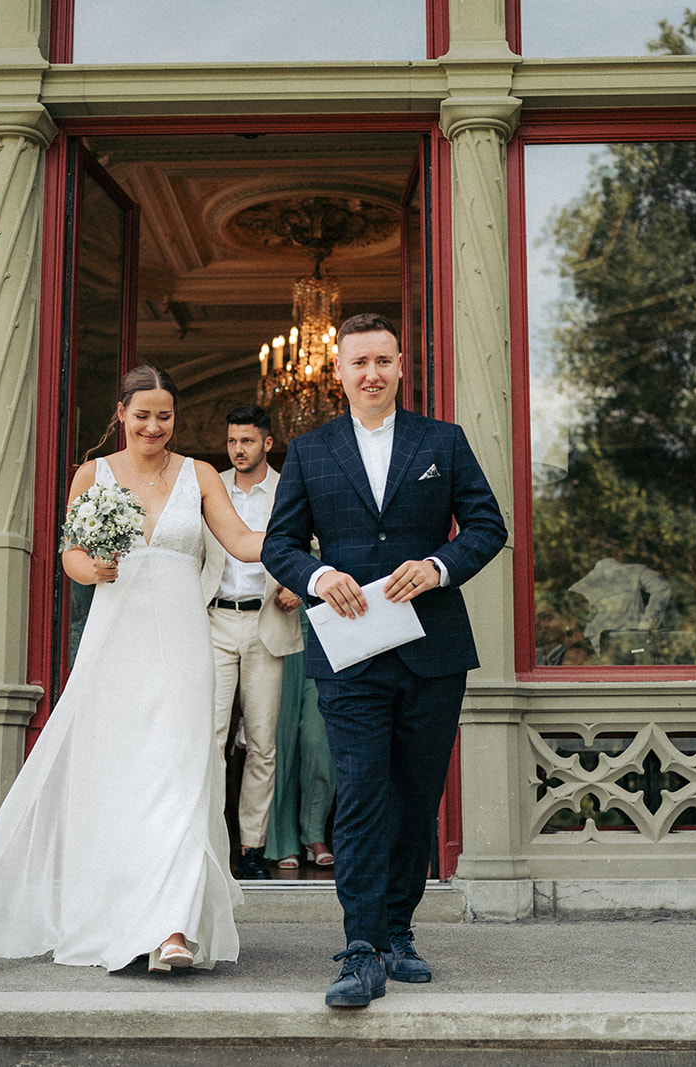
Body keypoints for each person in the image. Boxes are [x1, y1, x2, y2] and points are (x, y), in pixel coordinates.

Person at [0, 365, 264, 972]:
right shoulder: (95, 474)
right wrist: (89, 570)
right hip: (118, 639)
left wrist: (304, 536)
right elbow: (71, 555)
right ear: (121, 414)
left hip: (184, 639)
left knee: (183, 773)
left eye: (164, 416)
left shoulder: (201, 474)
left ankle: (173, 930)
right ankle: (121, 918)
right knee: (120, 777)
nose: (154, 426)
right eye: (143, 415)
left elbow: (243, 542)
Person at [262, 312, 507, 1008]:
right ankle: (361, 946)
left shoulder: (443, 442)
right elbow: (278, 544)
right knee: (363, 790)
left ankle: (400, 929)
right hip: (349, 654)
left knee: (415, 794)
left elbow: (488, 525)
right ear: (336, 372)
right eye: (358, 362)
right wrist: (315, 576)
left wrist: (438, 564)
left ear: (402, 366)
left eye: (383, 361)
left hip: (434, 651)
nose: (372, 373)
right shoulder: (310, 451)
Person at [199, 403, 305, 880]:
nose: (238, 450)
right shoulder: (206, 486)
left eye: (247, 441)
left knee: (263, 744)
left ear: (267, 442)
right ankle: (207, 845)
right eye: (231, 442)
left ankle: (253, 850)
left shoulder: (289, 488)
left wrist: (298, 583)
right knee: (211, 740)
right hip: (212, 623)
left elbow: (314, 546)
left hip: (267, 625)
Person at [264, 611, 336, 872]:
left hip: (326, 633)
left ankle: (314, 834)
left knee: (319, 743)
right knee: (279, 744)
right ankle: (283, 842)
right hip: (278, 632)